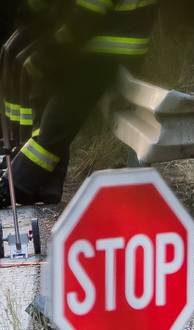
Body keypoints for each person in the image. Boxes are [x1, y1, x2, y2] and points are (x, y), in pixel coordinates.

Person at [1, 0, 160, 208]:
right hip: (97, 43)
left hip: (111, 48)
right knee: (40, 79)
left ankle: (17, 186)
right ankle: (41, 183)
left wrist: (51, 51)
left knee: (58, 118)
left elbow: (86, 16)